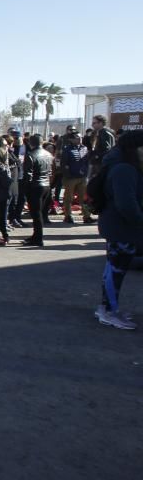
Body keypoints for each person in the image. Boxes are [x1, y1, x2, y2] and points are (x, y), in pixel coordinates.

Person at [95, 130, 143, 330]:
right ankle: (108, 311)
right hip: (120, 228)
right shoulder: (124, 169)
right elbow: (126, 205)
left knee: (114, 269)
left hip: (119, 227)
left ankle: (107, 309)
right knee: (116, 270)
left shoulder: (124, 166)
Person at [21, 134, 53, 247]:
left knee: (36, 213)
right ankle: (36, 235)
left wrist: (25, 189)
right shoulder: (48, 154)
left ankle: (38, 238)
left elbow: (28, 175)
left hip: (35, 186)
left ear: (31, 143)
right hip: (46, 185)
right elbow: (50, 172)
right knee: (40, 213)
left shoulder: (30, 155)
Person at [60, 130, 93, 224]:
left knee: (83, 198)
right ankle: (68, 216)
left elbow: (87, 162)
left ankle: (87, 216)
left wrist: (87, 174)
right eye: (77, 138)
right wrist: (68, 175)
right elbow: (64, 164)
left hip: (82, 177)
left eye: (80, 137)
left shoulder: (84, 148)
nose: (79, 139)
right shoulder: (67, 149)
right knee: (68, 198)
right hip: (71, 178)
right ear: (71, 139)